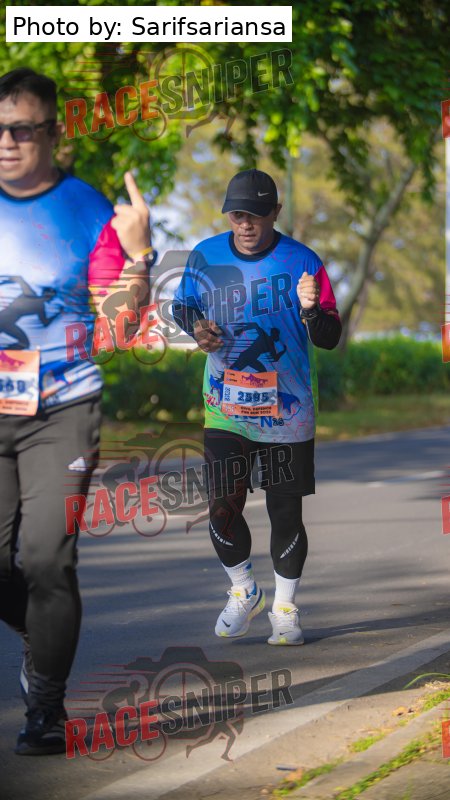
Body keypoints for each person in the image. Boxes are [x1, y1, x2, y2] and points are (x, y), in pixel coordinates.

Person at [0, 68, 155, 755]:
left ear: (53, 133)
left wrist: (140, 253)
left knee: (46, 559)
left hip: (62, 407)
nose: (6, 143)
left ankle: (46, 710)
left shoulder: (87, 210)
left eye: (21, 130)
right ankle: (43, 633)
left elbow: (119, 324)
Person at [173, 169, 341, 645]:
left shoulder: (303, 262)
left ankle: (285, 608)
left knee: (285, 512)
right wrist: (197, 328)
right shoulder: (205, 256)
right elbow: (182, 306)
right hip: (224, 407)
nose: (246, 224)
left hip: (287, 412)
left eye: (256, 214)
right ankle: (244, 590)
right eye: (237, 215)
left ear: (275, 213)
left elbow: (329, 337)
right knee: (222, 507)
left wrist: (311, 310)